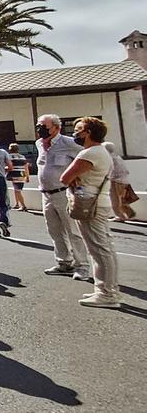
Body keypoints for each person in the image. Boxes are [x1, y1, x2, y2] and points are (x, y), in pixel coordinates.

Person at [61, 118, 122, 308]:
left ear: (87, 133)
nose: (75, 133)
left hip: (90, 204)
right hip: (99, 202)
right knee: (103, 248)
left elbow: (65, 178)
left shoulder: (90, 153)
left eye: (78, 130)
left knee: (99, 249)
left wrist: (73, 180)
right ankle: (105, 289)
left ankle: (107, 294)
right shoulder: (101, 152)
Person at [36, 114, 91, 280]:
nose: (40, 130)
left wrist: (79, 187)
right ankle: (63, 262)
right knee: (54, 230)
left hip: (63, 192)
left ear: (56, 128)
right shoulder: (39, 144)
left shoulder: (69, 143)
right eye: (38, 126)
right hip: (46, 194)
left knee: (73, 231)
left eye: (44, 126)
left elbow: (86, 161)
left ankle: (82, 266)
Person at [104, 141, 136, 222]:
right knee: (122, 200)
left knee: (115, 201)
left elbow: (110, 172)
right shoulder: (118, 157)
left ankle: (120, 216)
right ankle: (128, 214)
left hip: (115, 181)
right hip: (124, 180)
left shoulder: (109, 159)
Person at [9, 143, 30, 212]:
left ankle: (23, 206)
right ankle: (17, 204)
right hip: (21, 174)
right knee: (16, 189)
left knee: (17, 191)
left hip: (13, 174)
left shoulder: (9, 156)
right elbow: (26, 167)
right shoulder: (22, 157)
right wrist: (27, 176)